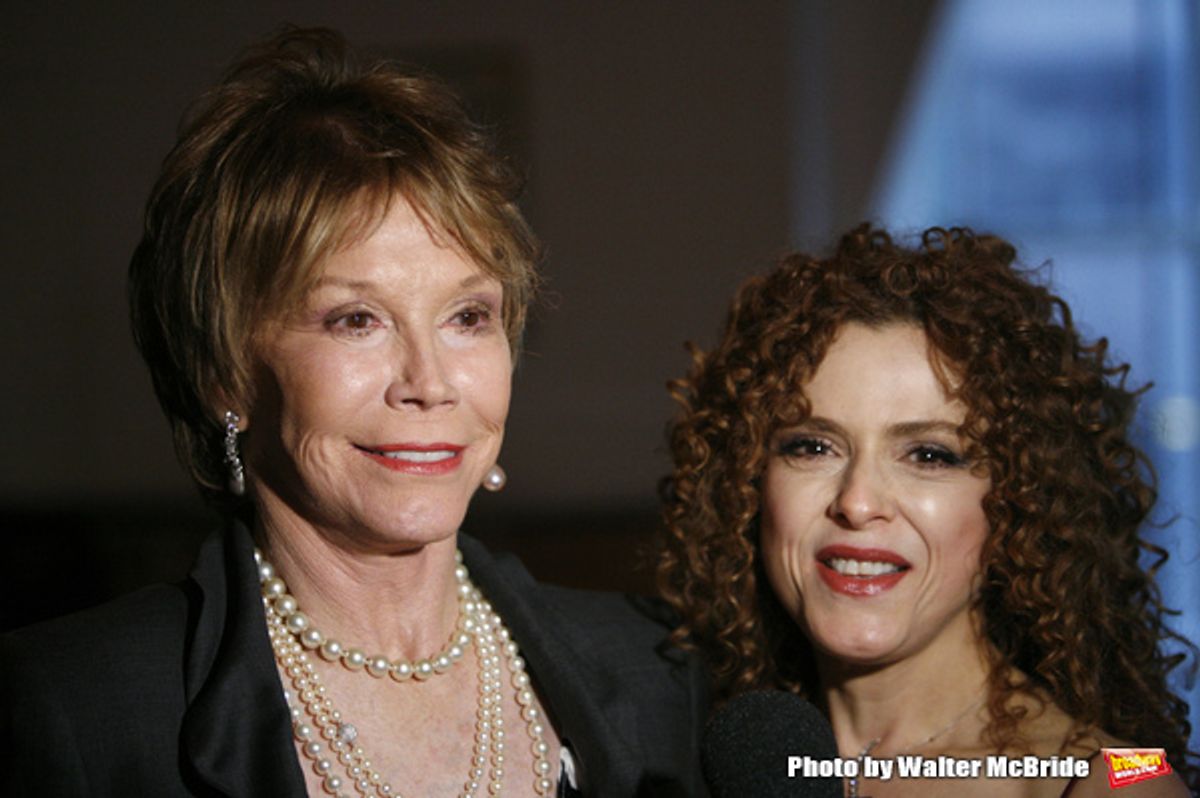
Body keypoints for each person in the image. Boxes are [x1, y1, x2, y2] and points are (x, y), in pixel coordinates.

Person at [0, 27, 706, 798]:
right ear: (223, 373)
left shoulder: (664, 672)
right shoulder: (78, 709)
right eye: (356, 320)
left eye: (467, 317)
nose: (429, 383)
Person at [658, 225, 1196, 795]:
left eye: (929, 455)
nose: (857, 502)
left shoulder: (1122, 780)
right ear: (749, 483)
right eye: (813, 447)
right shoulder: (691, 756)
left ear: (1020, 500)